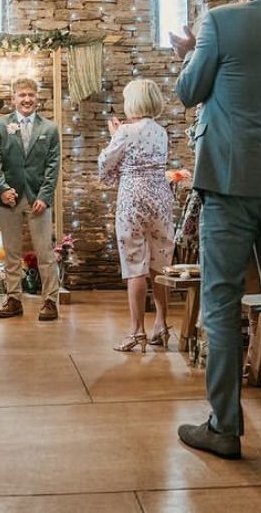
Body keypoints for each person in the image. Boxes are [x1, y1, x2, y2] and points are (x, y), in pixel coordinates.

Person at [171, 0, 261, 461]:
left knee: (221, 301)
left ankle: (225, 426)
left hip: (232, 182)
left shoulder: (221, 20)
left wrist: (189, 52)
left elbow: (190, 91)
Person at [98, 79, 174, 352]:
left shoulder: (126, 131)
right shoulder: (162, 132)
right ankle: (162, 325)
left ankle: (136, 331)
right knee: (160, 263)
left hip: (133, 200)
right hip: (161, 198)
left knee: (134, 264)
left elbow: (106, 163)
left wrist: (115, 136)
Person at [0, 77, 60, 322]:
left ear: (37, 98)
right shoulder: (0, 125)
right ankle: (14, 298)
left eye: (31, 95)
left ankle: (50, 300)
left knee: (45, 252)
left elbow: (52, 165)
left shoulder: (49, 128)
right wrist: (2, 188)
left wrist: (45, 195)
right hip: (9, 198)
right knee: (11, 252)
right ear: (13, 99)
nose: (27, 99)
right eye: (22, 95)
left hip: (37, 198)